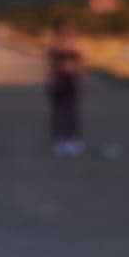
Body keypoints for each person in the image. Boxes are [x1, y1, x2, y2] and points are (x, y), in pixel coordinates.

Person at [46, 16, 85, 156]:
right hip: (59, 80)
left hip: (71, 80)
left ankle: (72, 140)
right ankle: (58, 140)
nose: (66, 32)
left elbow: (81, 62)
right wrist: (51, 81)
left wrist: (81, 77)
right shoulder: (54, 45)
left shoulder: (75, 44)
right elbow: (50, 64)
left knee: (72, 112)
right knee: (58, 113)